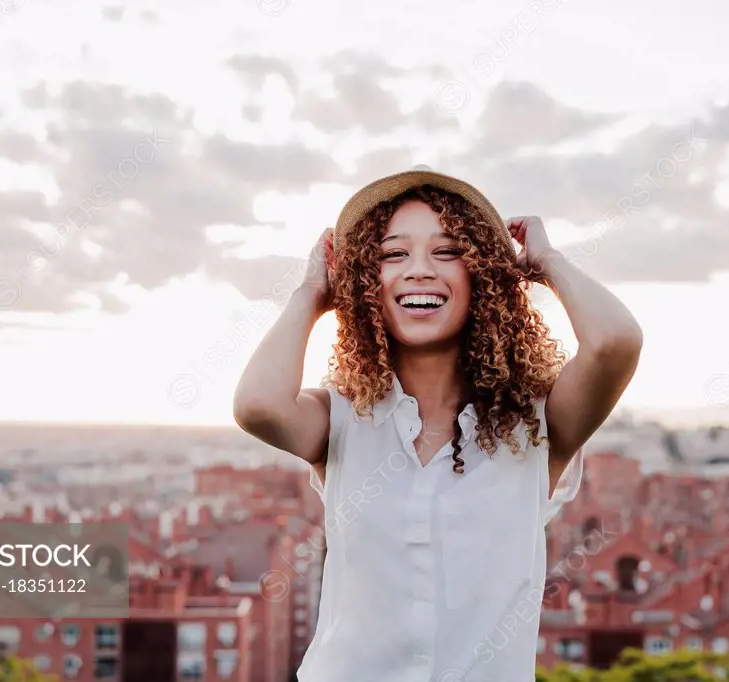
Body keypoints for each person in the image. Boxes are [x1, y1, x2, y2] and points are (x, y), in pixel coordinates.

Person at [233, 168, 643, 682]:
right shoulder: (341, 417)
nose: (419, 270)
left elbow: (614, 343)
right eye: (392, 255)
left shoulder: (538, 424)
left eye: (447, 252)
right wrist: (311, 294)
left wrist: (546, 262)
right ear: (364, 283)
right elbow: (258, 406)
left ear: (483, 275)